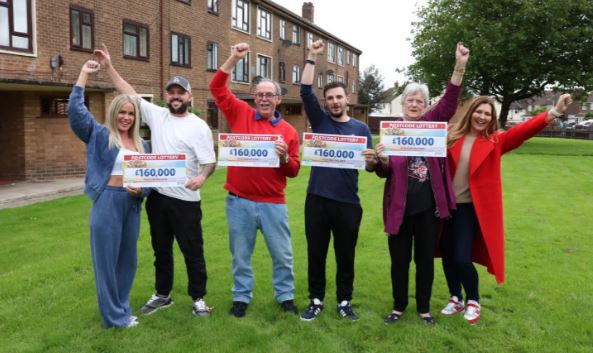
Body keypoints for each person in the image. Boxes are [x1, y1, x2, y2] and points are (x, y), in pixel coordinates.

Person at [94, 44, 217, 317]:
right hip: (158, 198)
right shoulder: (158, 115)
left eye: (180, 93)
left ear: (189, 96)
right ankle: (163, 294)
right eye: (171, 92)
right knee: (161, 250)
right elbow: (128, 92)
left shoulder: (199, 126)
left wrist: (201, 177)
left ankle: (198, 298)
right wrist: (109, 66)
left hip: (186, 200)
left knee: (192, 251)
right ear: (167, 96)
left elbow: (210, 162)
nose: (175, 97)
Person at [440, 94, 572, 324]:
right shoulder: (450, 137)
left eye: (486, 114)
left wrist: (554, 112)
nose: (481, 117)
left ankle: (473, 300)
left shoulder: (495, 141)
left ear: (491, 119)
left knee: (461, 257)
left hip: (470, 209)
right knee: (447, 257)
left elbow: (523, 131)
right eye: (478, 112)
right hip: (444, 207)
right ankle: (455, 297)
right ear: (470, 112)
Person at [375, 42, 469, 325]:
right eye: (410, 101)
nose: (415, 105)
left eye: (420, 101)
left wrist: (459, 65)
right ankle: (398, 306)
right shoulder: (391, 132)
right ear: (402, 105)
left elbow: (449, 102)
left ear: (425, 106)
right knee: (400, 261)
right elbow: (384, 172)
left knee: (425, 262)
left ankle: (424, 308)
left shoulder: (432, 123)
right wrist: (379, 160)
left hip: (429, 209)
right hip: (399, 208)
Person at [209, 43, 301, 318]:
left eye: (269, 95)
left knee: (282, 255)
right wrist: (234, 58)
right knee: (240, 256)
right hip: (239, 202)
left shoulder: (288, 131)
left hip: (273, 203)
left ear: (278, 100)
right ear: (253, 97)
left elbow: (294, 170)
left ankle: (285, 296)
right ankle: (241, 297)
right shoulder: (240, 113)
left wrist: (285, 158)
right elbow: (216, 88)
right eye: (259, 94)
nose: (263, 99)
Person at [298, 40, 377, 321]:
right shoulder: (320, 122)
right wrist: (311, 56)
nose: (334, 102)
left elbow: (369, 167)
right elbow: (305, 90)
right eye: (330, 98)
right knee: (316, 254)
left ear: (347, 99)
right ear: (326, 102)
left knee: (346, 256)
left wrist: (371, 161)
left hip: (347, 203)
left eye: (339, 97)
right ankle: (316, 300)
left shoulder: (360, 129)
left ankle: (344, 301)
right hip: (317, 199)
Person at [68, 60, 149, 328]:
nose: (126, 117)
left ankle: (123, 310)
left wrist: (142, 190)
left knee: (127, 261)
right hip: (107, 202)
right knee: (106, 263)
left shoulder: (142, 144)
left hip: (132, 204)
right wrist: (84, 75)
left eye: (131, 113)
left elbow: (151, 178)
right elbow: (76, 112)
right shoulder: (99, 134)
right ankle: (114, 318)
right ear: (114, 113)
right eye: (122, 112)